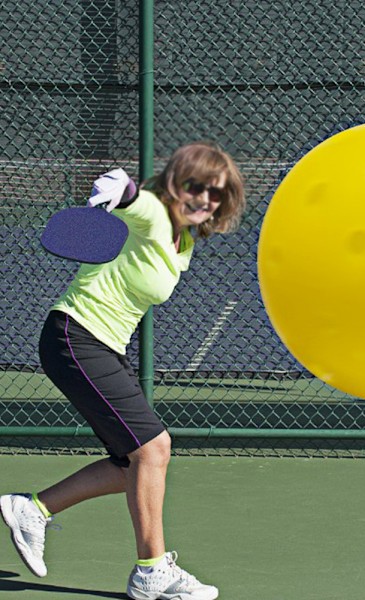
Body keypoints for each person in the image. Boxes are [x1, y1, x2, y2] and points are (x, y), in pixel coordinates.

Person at [0, 141, 245, 600]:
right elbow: (135, 199)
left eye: (216, 193)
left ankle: (32, 508)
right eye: (196, 186)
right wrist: (121, 188)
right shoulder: (153, 213)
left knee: (129, 464)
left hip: (104, 347)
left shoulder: (184, 243)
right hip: (76, 336)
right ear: (175, 185)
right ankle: (151, 572)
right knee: (154, 450)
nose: (205, 200)